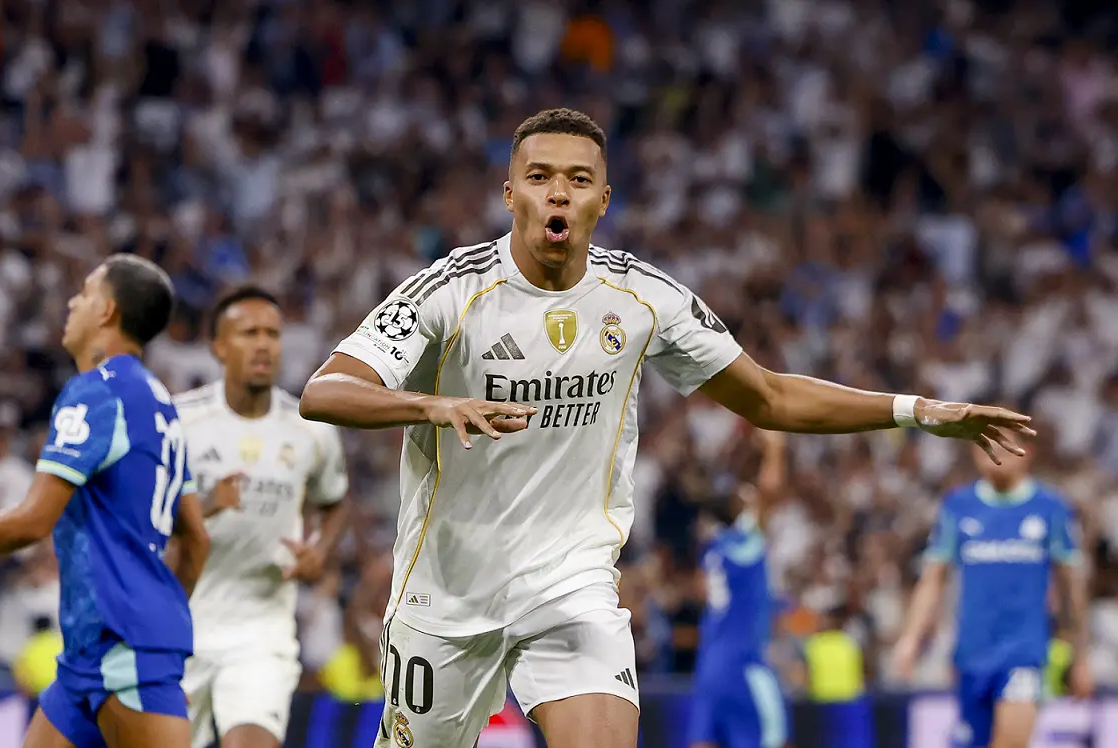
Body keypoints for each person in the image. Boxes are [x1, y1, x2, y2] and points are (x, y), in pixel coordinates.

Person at [297, 107, 1035, 748]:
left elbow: (770, 397)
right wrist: (432, 405)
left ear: (603, 199)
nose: (559, 192)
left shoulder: (642, 298)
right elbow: (325, 392)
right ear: (510, 193)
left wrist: (915, 409)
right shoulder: (451, 290)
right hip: (446, 594)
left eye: (579, 179)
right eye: (540, 176)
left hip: (570, 585)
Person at [8, 255, 211, 748]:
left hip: (124, 647)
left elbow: (33, 521)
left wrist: (147, 633)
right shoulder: (159, 403)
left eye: (84, 293)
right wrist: (157, 617)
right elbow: (196, 540)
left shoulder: (95, 393)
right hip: (89, 652)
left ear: (106, 311)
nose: (72, 303)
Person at [175, 286, 349, 748]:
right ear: (218, 346)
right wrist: (204, 505)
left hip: (261, 629)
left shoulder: (310, 428)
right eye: (248, 333)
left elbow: (334, 500)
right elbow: (137, 516)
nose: (263, 344)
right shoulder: (179, 422)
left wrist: (319, 550)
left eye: (272, 333)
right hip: (177, 622)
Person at [894, 442, 1092, 748]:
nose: (993, 454)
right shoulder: (958, 506)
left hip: (1023, 652)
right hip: (971, 654)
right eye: (984, 445)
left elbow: (1070, 587)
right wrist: (910, 638)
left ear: (1026, 451)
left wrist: (1081, 657)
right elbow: (933, 580)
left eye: (1003, 444)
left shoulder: (1049, 507)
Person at [689, 429, 790, 748]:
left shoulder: (713, 549)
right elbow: (769, 492)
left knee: (703, 741)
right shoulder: (747, 544)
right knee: (772, 740)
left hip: (709, 665)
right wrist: (774, 449)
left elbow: (700, 591)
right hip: (744, 664)